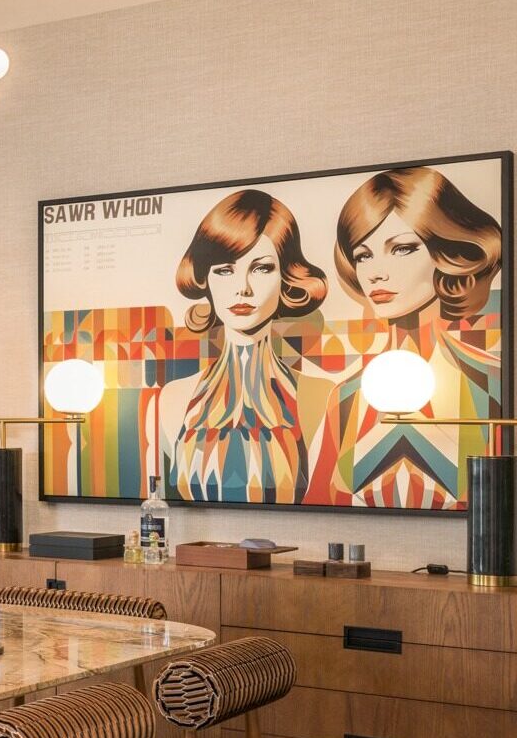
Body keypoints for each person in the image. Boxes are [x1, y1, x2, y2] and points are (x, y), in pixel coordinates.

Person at [310, 166, 503, 508]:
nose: (376, 273)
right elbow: (319, 504)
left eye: (401, 248)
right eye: (363, 255)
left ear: (447, 252)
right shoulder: (346, 398)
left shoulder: (491, 384)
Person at [161, 188, 327, 504]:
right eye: (225, 270)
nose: (243, 288)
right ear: (206, 280)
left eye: (261, 268)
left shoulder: (320, 396)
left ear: (286, 277)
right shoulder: (175, 396)